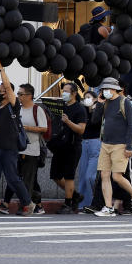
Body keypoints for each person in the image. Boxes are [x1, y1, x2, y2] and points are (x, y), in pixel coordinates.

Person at [0, 61, 35, 216]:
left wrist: (1, 69)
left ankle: (28, 204)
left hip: (10, 149)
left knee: (13, 179)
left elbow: (8, 86)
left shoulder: (13, 105)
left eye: (1, 89)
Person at [94, 77, 132, 217]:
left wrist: (129, 147)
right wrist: (99, 104)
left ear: (115, 89)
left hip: (120, 145)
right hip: (105, 143)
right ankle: (108, 207)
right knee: (104, 175)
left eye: (107, 89)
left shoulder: (125, 102)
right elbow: (95, 120)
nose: (104, 91)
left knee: (117, 176)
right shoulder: (106, 103)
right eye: (103, 89)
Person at [0, 84, 46, 214]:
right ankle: (8, 204)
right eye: (17, 94)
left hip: (31, 150)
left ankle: (26, 206)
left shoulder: (37, 110)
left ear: (29, 96)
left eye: (21, 94)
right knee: (13, 177)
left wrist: (25, 128)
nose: (18, 96)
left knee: (28, 180)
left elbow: (44, 128)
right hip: (16, 149)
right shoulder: (17, 108)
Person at [53, 82, 87, 213]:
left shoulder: (79, 109)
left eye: (66, 91)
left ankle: (68, 203)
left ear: (73, 93)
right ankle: (75, 195)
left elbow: (81, 129)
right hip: (60, 145)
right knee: (55, 175)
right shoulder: (62, 106)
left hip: (73, 145)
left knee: (69, 176)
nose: (64, 94)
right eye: (63, 91)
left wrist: (68, 122)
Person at [76, 90, 102, 210]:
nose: (86, 99)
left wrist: (96, 108)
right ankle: (82, 204)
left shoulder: (98, 111)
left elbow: (95, 123)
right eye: (85, 97)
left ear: (95, 99)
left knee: (90, 176)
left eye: (89, 97)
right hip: (84, 143)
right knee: (82, 176)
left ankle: (96, 200)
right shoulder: (83, 112)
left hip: (95, 143)